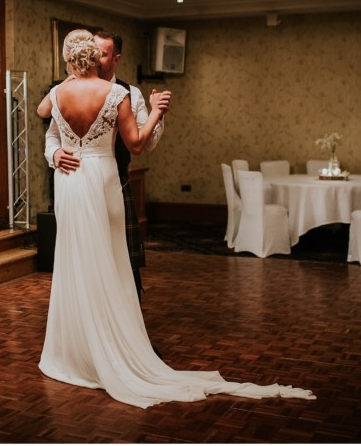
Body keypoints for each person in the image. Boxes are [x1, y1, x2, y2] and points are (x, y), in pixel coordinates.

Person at [36, 29, 315, 409]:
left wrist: (143, 109)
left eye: (106, 54)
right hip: (94, 179)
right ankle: (95, 346)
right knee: (94, 261)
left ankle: (102, 343)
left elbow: (49, 116)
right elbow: (119, 141)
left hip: (89, 184)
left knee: (99, 263)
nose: (102, 59)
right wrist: (153, 113)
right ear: (92, 58)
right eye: (96, 54)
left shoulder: (75, 92)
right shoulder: (108, 94)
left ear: (82, 60)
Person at [44, 30, 167, 304]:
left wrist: (157, 115)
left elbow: (144, 144)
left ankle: (124, 325)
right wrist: (54, 154)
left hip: (115, 182)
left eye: (102, 53)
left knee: (122, 259)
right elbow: (52, 133)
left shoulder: (129, 94)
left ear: (116, 58)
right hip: (76, 181)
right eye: (91, 51)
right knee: (82, 256)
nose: (95, 59)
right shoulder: (66, 88)